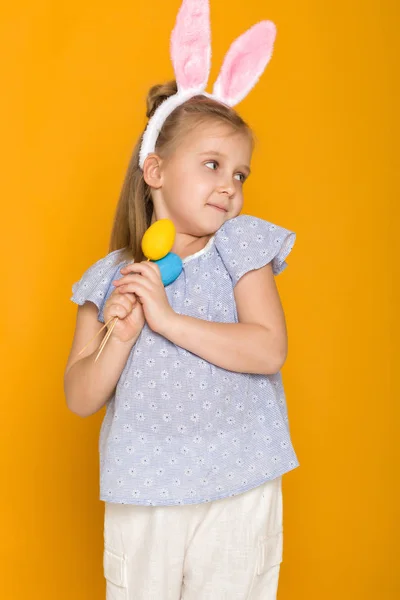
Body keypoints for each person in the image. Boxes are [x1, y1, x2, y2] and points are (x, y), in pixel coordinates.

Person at [64, 1, 300, 598]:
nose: (230, 185)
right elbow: (80, 396)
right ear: (156, 170)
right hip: (146, 491)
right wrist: (120, 333)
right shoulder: (111, 276)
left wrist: (168, 320)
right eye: (214, 165)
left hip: (238, 480)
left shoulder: (238, 248)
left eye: (240, 174)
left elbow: (268, 349)